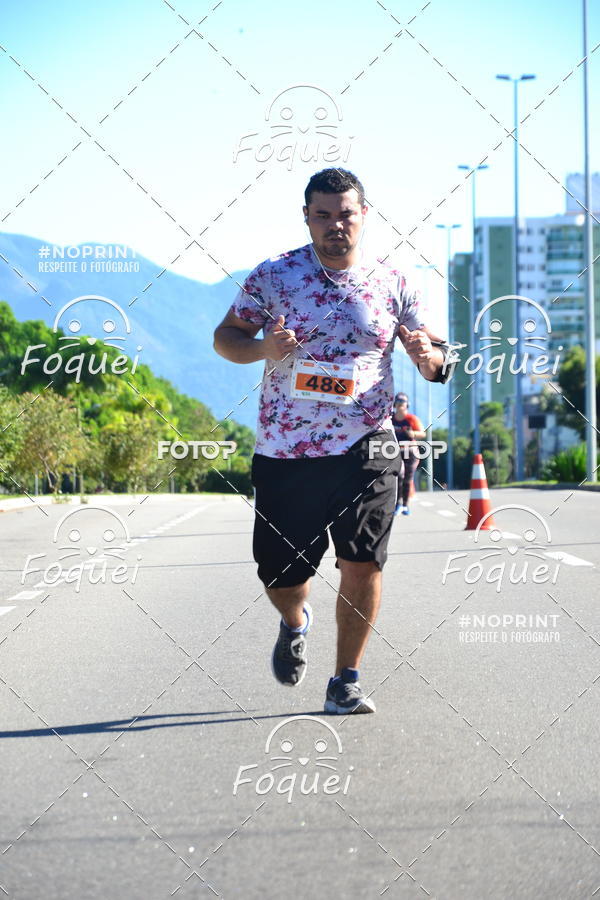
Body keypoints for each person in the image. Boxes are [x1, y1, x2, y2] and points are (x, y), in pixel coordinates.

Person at [213, 168, 454, 715]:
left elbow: (440, 356)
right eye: (322, 215)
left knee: (362, 562)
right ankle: (294, 622)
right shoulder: (274, 276)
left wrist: (429, 359)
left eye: (345, 214)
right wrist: (263, 351)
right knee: (280, 573)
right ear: (307, 218)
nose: (335, 225)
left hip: (369, 444)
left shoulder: (395, 279)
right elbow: (225, 338)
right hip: (286, 449)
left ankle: (346, 679)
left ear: (364, 215)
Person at [392, 392, 426, 516]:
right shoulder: (391, 418)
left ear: (407, 405)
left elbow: (422, 433)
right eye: (398, 402)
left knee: (407, 478)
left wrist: (413, 434)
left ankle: (405, 505)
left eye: (403, 403)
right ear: (394, 404)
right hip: (394, 451)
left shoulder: (411, 419)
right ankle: (398, 505)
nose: (400, 405)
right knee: (398, 477)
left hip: (411, 452)